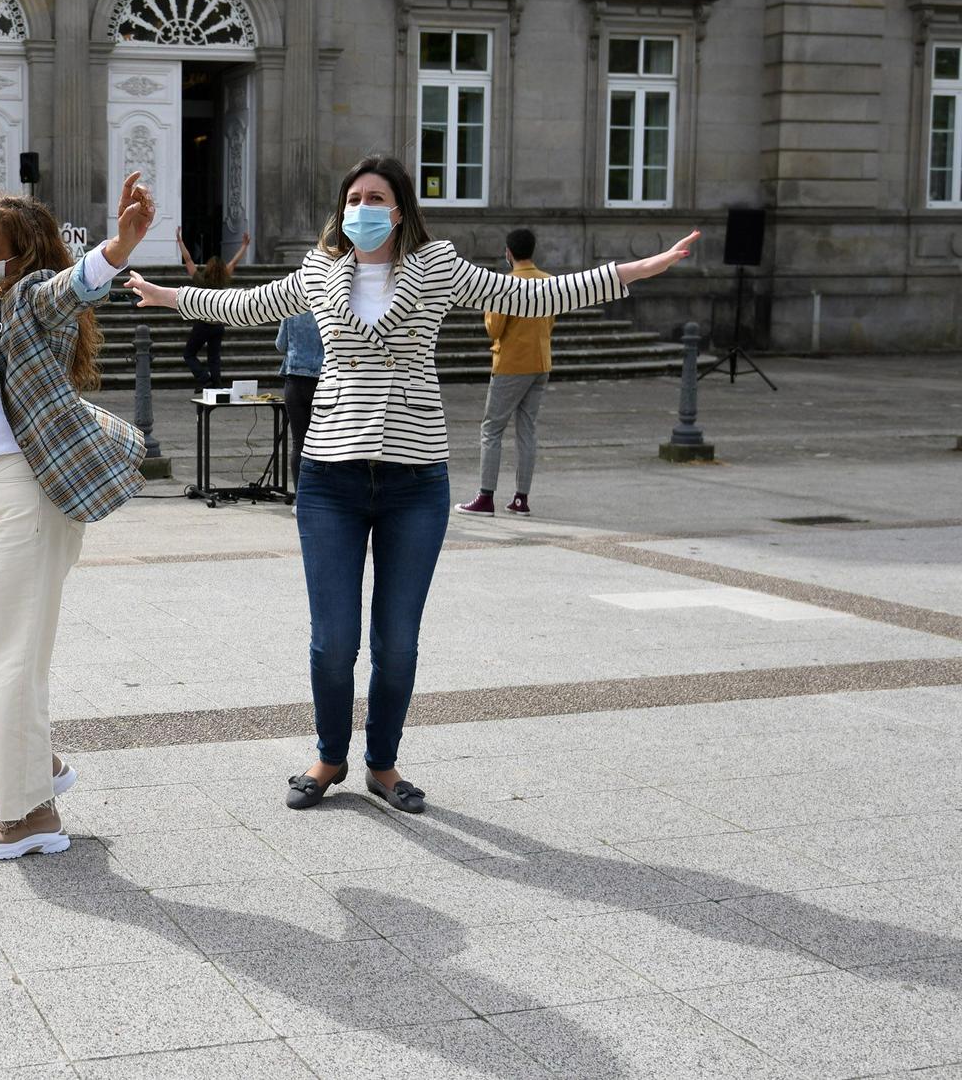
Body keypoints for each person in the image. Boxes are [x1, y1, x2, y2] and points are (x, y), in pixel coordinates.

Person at [126, 155, 696, 817]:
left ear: (399, 211)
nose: (362, 208)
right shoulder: (319, 271)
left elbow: (531, 296)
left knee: (397, 638)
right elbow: (247, 304)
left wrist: (635, 270)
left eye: (376, 197)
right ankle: (329, 755)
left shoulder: (437, 266)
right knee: (333, 637)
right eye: (353, 198)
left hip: (414, 478)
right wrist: (169, 295)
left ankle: (384, 763)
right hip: (331, 477)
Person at [0, 172, 153, 859]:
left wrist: (117, 247)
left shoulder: (27, 299)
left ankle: (29, 816)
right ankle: (31, 766)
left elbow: (70, 286)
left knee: (13, 658)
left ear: (20, 256)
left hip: (29, 497)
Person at [458, 228, 554, 518]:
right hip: (541, 361)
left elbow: (494, 329)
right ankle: (521, 498)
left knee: (491, 429)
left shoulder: (505, 286)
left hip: (512, 364)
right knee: (527, 430)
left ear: (508, 253)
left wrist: (488, 308)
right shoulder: (549, 281)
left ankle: (485, 496)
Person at [178, 228, 251, 390]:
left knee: (189, 354)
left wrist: (180, 242)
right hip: (218, 325)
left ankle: (205, 379)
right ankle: (216, 383)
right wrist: (244, 246)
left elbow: (188, 260)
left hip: (203, 324)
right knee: (214, 357)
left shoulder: (201, 280)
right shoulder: (224, 278)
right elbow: (234, 262)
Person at [274, 310, 323, 500]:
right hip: (323, 379)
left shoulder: (291, 309)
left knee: (298, 443)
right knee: (323, 443)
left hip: (295, 379)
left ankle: (301, 498)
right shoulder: (329, 306)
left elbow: (280, 345)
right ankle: (322, 496)